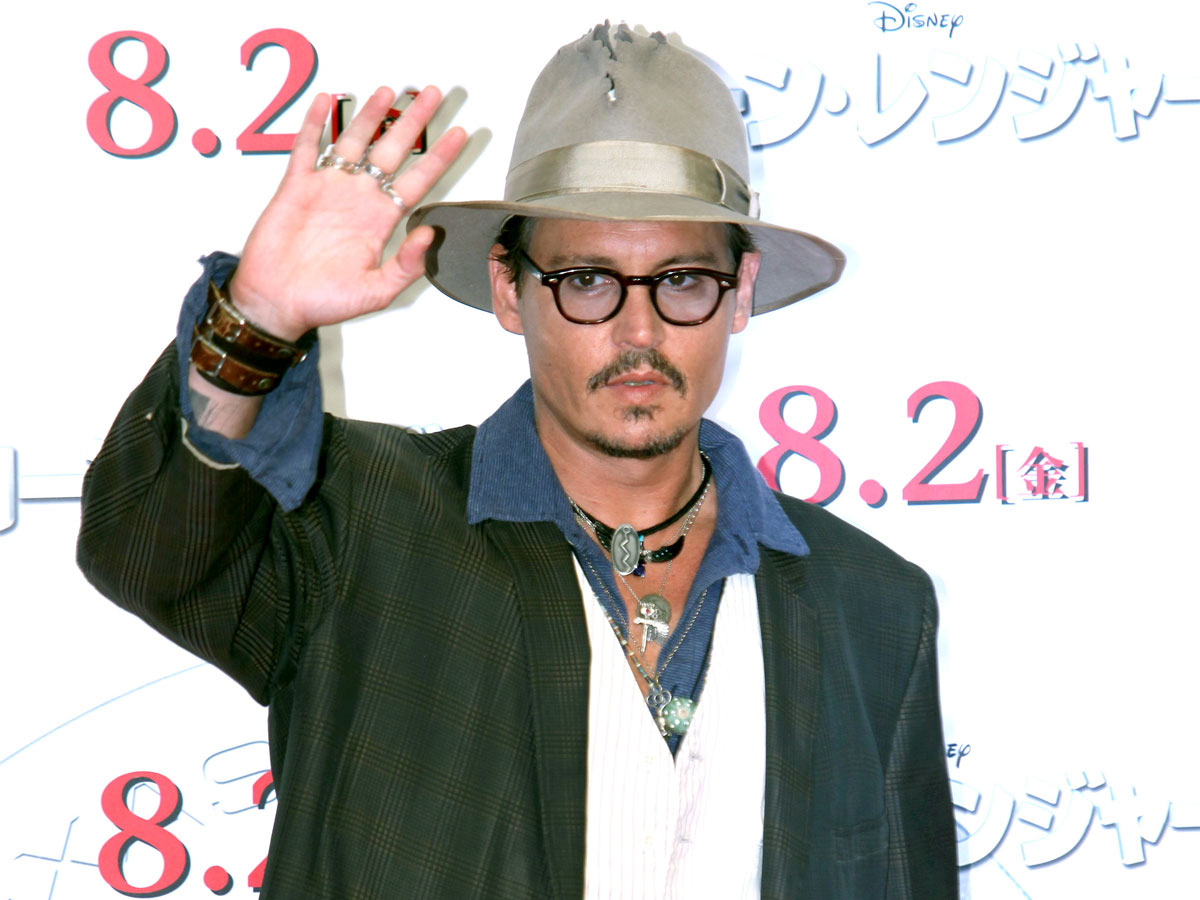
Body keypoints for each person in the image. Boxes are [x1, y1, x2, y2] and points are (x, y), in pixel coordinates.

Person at [78, 23, 957, 899]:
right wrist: (257, 322)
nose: (640, 331)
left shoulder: (871, 605)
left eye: (683, 281)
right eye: (587, 281)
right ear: (509, 288)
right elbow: (149, 551)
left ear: (741, 294)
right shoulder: (356, 521)